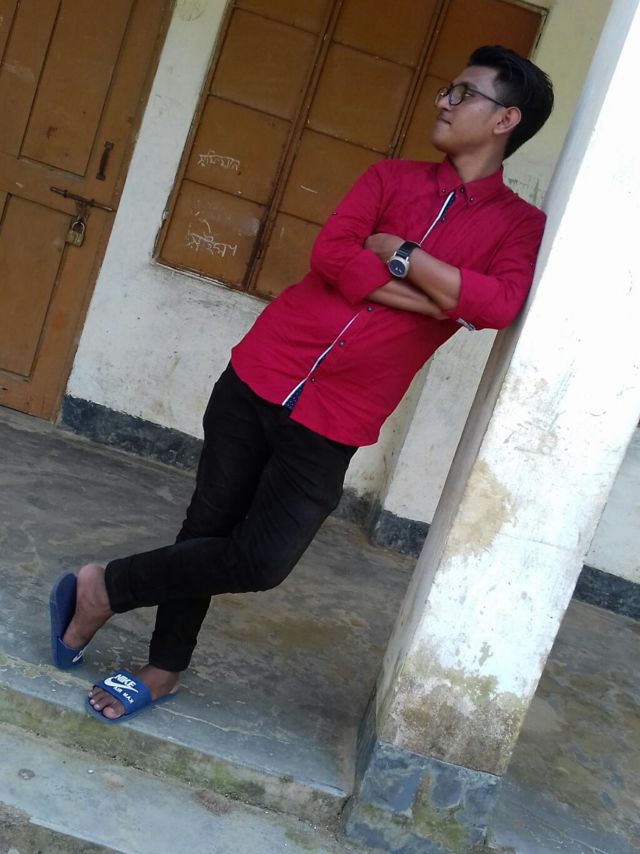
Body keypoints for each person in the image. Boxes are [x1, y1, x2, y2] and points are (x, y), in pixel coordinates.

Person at [50, 45, 554, 721]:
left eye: (463, 94)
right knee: (207, 525)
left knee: (261, 561)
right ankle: (162, 668)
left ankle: (104, 587)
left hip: (338, 413)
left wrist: (401, 254)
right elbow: (333, 257)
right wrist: (437, 299)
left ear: (505, 120)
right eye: (447, 89)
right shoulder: (388, 178)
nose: (443, 101)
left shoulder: (519, 226)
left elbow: (497, 304)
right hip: (262, 371)